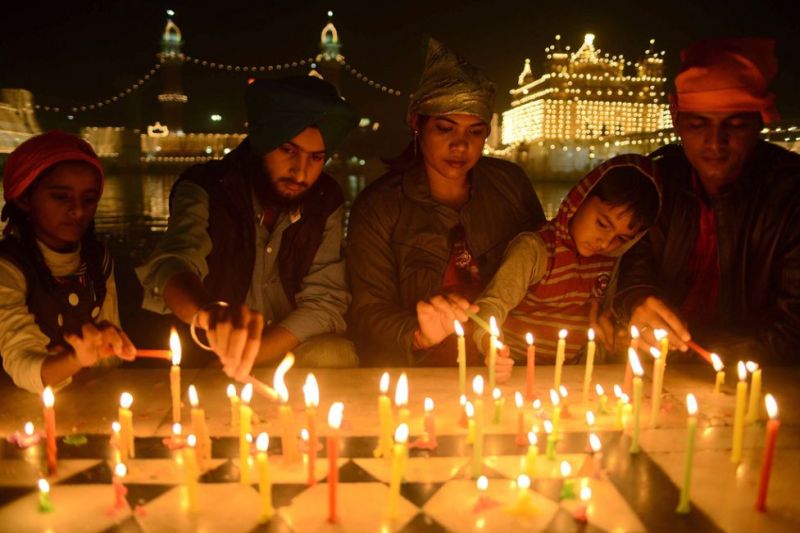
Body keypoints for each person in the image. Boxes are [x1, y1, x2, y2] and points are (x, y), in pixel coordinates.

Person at [137, 75, 359, 380]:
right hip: (213, 353)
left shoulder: (325, 199)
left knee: (335, 354)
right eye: (288, 150)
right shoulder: (206, 187)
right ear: (262, 141)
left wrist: (252, 355)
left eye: (316, 157)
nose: (301, 171)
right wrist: (211, 315)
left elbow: (325, 302)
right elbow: (174, 264)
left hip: (285, 353)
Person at [347, 38, 546, 366]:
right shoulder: (378, 207)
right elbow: (369, 310)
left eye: (475, 132)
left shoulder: (510, 185)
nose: (460, 145)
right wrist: (418, 333)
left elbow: (546, 260)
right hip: (419, 368)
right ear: (416, 123)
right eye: (445, 128)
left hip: (506, 359)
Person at [614, 38, 800, 363]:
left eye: (736, 125)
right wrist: (637, 302)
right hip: (661, 373)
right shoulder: (659, 184)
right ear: (677, 121)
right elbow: (632, 270)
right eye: (698, 125)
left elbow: (793, 330)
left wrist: (697, 352)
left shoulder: (790, 197)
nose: (716, 143)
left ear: (759, 124)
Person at [472, 155, 660, 381]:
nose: (605, 243)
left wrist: (615, 336)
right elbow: (490, 306)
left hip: (572, 376)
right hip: (516, 371)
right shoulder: (535, 250)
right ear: (579, 198)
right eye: (602, 223)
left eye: (621, 238)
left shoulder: (608, 261)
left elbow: (601, 320)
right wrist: (491, 346)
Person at [0, 131, 135, 393]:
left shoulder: (98, 260)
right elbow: (22, 364)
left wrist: (111, 342)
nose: (78, 210)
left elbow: (110, 357)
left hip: (89, 406)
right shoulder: (8, 269)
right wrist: (76, 359)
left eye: (89, 199)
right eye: (61, 197)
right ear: (24, 198)